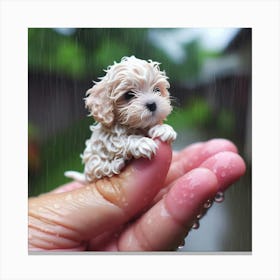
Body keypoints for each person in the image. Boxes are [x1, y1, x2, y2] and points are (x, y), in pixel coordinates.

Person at [28, 139, 246, 251]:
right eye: (130, 95)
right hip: (103, 170)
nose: (150, 102)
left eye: (157, 91)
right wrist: (112, 188)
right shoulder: (111, 133)